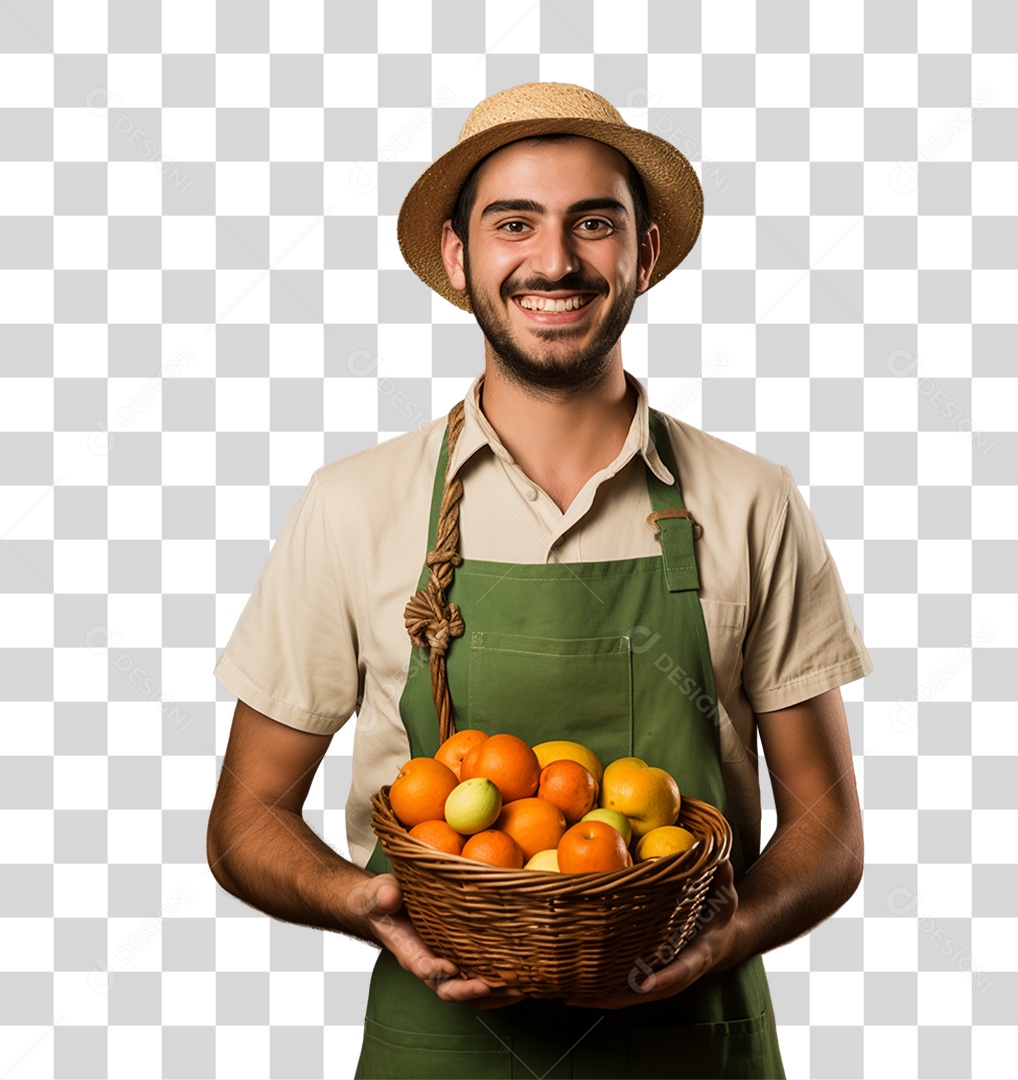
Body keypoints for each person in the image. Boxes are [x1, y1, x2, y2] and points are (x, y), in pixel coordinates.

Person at [207, 82, 874, 1079]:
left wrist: (724, 939)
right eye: (513, 222)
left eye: (593, 223)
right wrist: (366, 904)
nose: (555, 261)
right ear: (458, 254)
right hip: (440, 1049)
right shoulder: (352, 505)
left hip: (695, 1046)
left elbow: (827, 827)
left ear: (643, 255)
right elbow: (247, 820)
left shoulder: (750, 501)